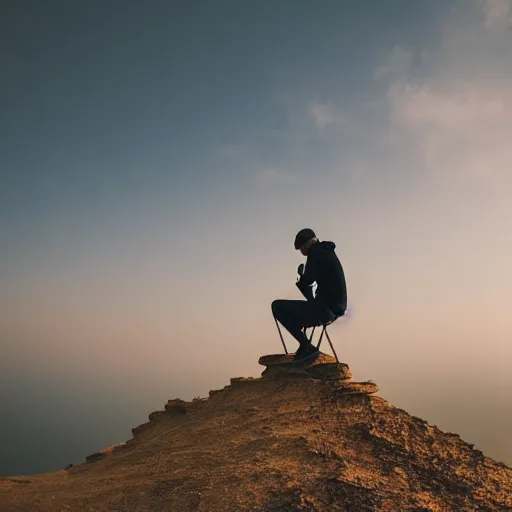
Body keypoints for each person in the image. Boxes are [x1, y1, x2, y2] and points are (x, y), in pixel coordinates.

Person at [271, 228, 347, 361]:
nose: (302, 252)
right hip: (336, 309)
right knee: (295, 312)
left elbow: (308, 280)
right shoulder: (326, 252)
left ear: (307, 244)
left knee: (277, 306)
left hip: (325, 310)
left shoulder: (316, 253)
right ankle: (305, 345)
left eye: (301, 248)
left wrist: (301, 279)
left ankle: (306, 346)